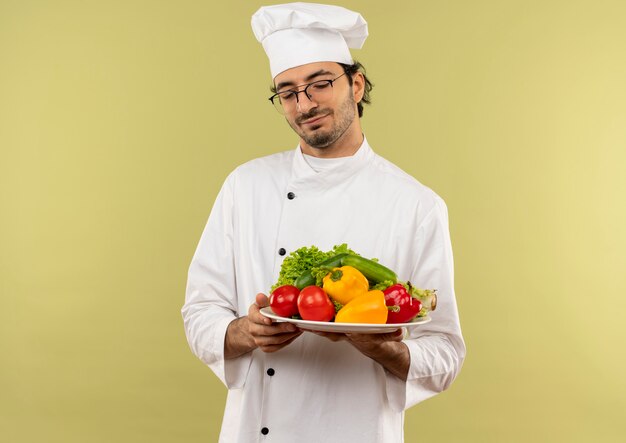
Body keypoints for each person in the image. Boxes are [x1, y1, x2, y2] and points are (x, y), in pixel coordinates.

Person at [182, 3, 465, 442]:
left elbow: (445, 353)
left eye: (319, 83)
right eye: (288, 92)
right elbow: (200, 311)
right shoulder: (246, 186)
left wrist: (385, 348)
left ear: (356, 84)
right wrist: (243, 331)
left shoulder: (417, 205)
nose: (305, 103)